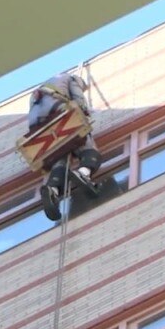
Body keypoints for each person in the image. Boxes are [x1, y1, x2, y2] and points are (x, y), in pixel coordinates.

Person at [27, 72, 101, 220]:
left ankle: (52, 188)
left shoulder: (38, 92)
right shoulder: (72, 79)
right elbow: (78, 99)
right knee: (85, 144)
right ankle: (84, 172)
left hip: (36, 124)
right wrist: (84, 112)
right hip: (57, 109)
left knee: (58, 155)